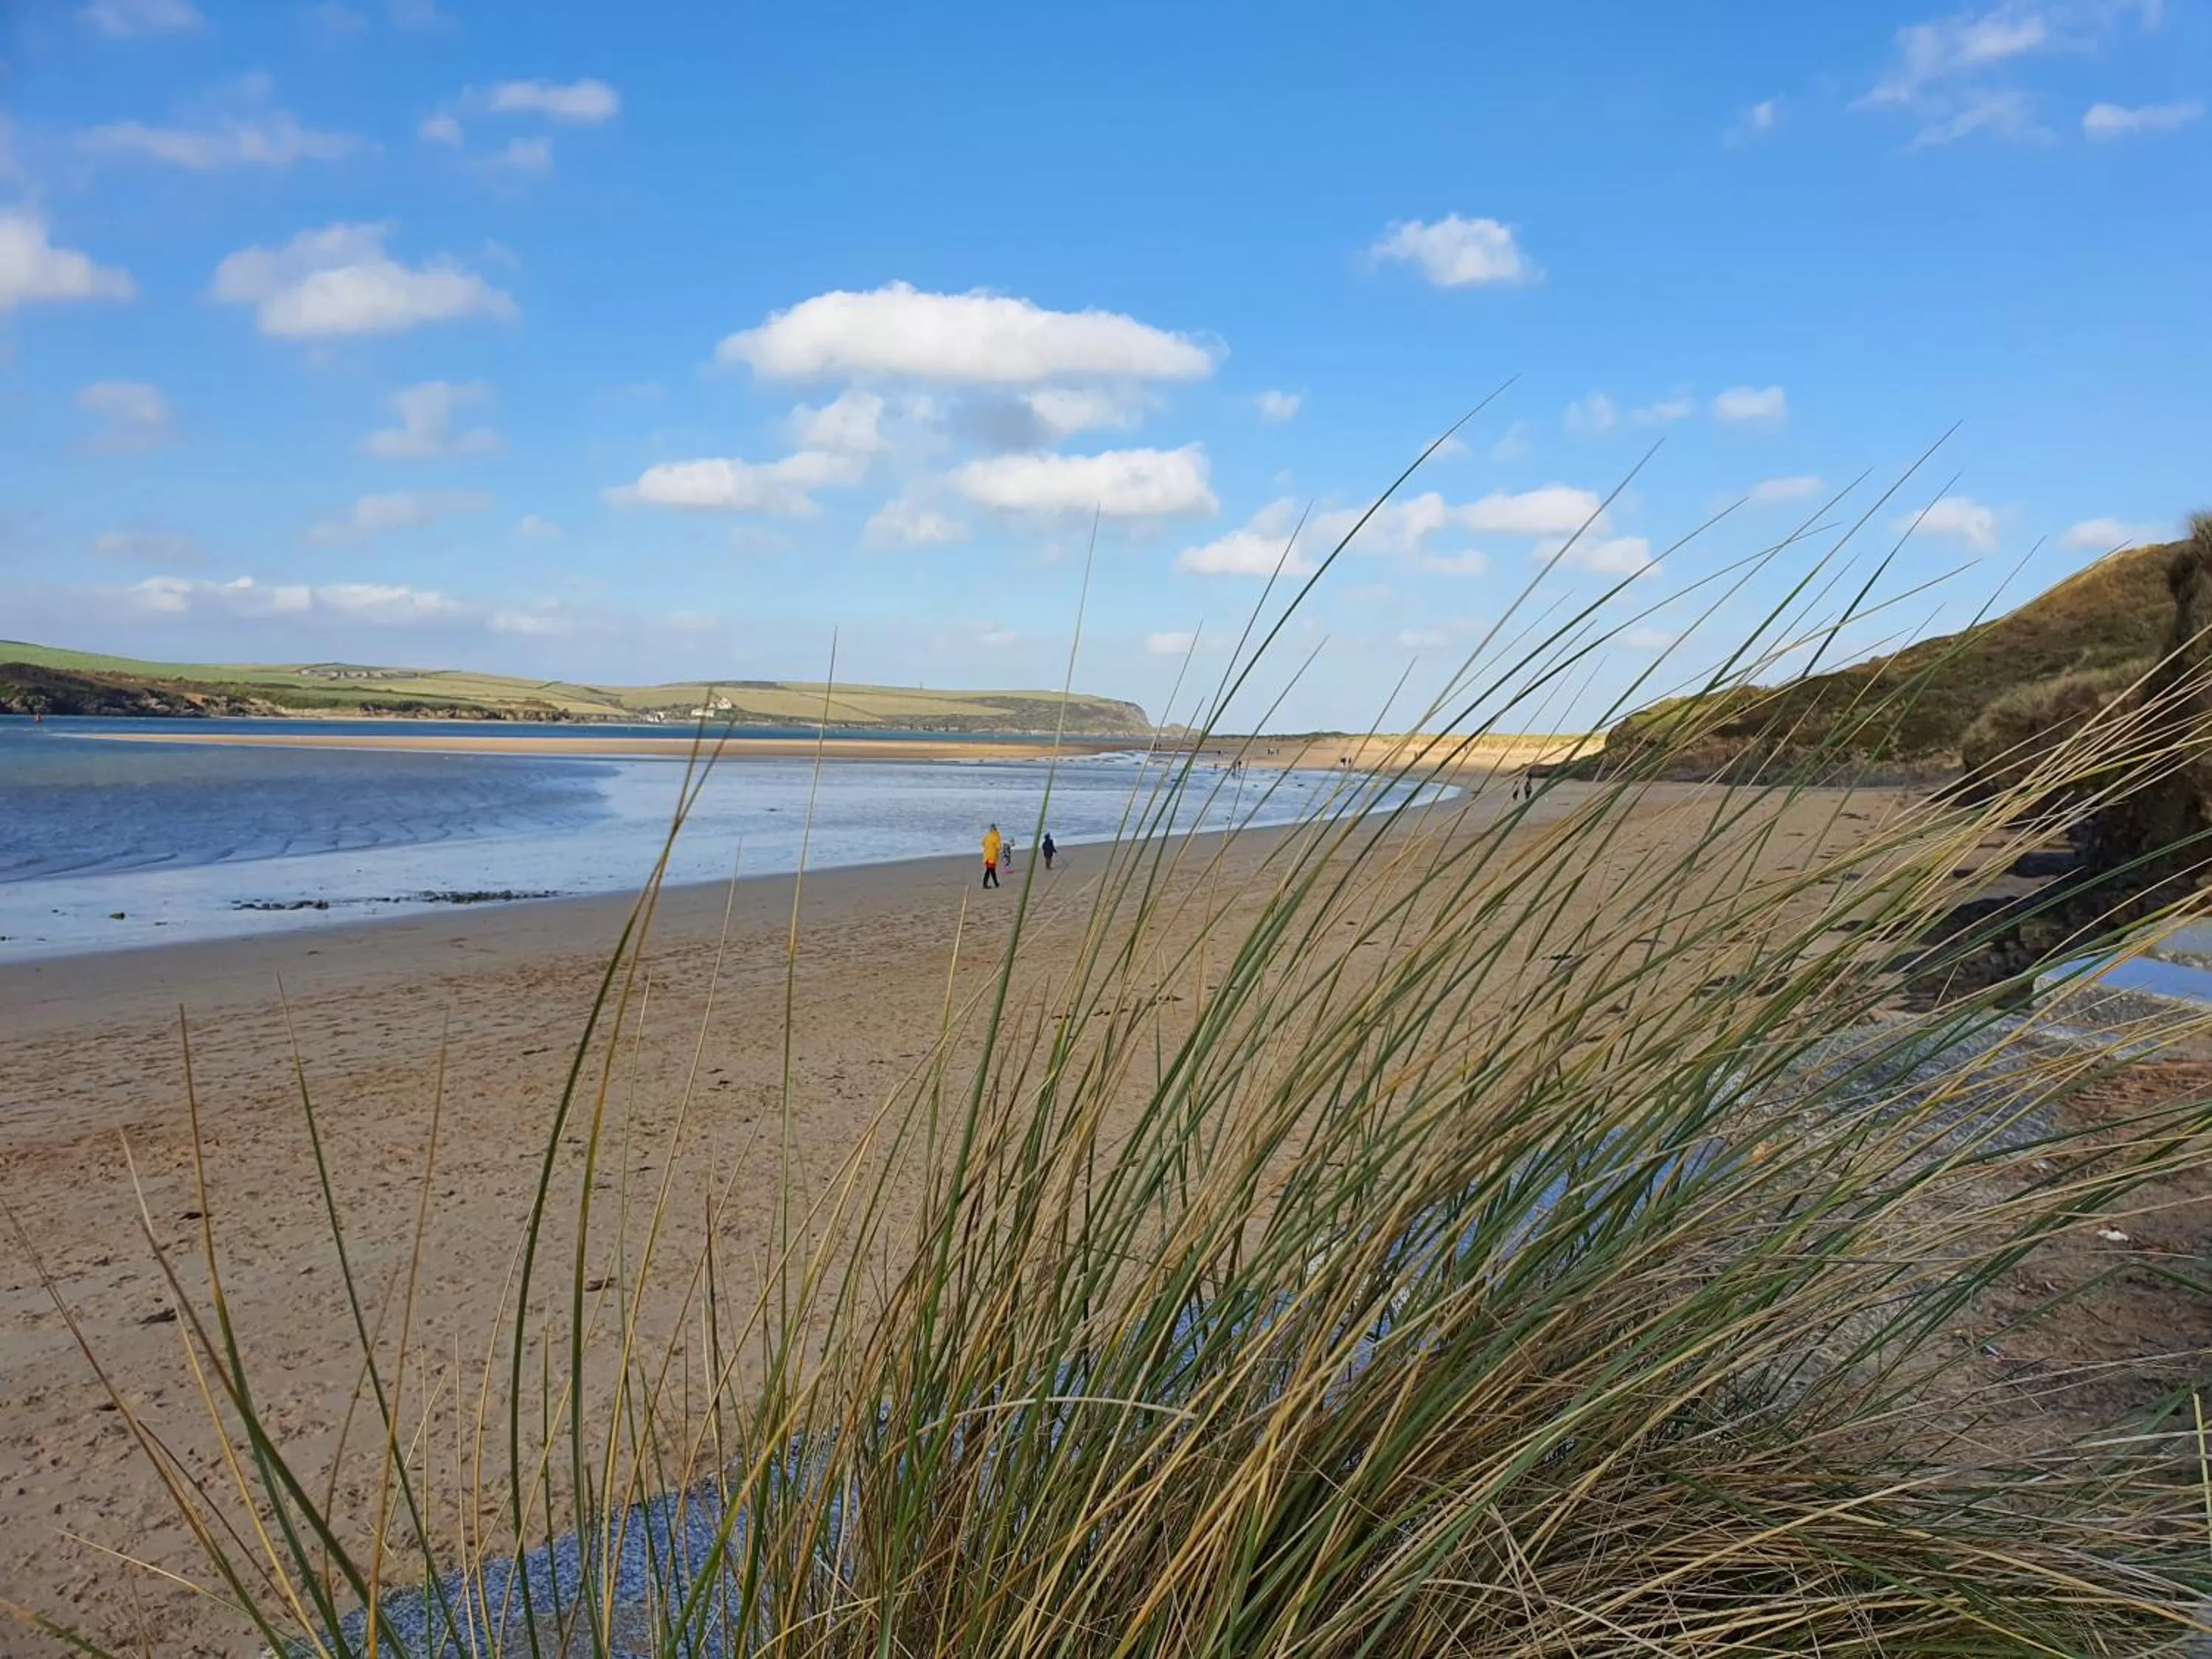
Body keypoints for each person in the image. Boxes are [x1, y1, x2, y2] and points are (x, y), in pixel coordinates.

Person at [981, 823, 1002, 888]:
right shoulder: (996, 837)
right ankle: (985, 884)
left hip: (987, 856)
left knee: (991, 870)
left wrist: (988, 848)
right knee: (990, 870)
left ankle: (996, 883)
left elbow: (983, 843)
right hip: (992, 857)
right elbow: (999, 847)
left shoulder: (987, 836)